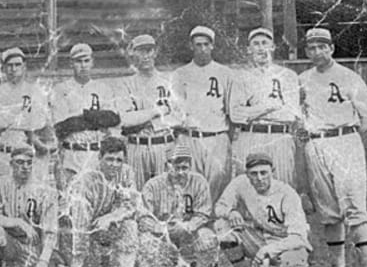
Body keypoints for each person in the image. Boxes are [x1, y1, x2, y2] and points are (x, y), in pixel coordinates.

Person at [297, 28, 367, 267]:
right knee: (328, 209)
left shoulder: (348, 76)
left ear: (331, 48)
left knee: (354, 205)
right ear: (307, 51)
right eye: (312, 48)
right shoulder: (303, 79)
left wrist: (347, 137)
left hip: (344, 142)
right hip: (316, 144)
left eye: (322, 46)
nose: (317, 52)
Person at [214, 151, 310, 267]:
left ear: (272, 172)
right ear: (247, 174)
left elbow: (298, 237)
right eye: (254, 174)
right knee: (222, 226)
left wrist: (269, 250)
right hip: (258, 237)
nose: (259, 178)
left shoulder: (287, 193)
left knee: (291, 262)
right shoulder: (241, 183)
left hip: (284, 241)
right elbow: (219, 207)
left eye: (264, 173)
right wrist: (231, 212)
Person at [64, 137, 143, 267]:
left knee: (130, 226)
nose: (114, 164)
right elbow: (79, 224)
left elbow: (131, 205)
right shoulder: (86, 178)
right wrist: (78, 263)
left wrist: (111, 216)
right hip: (73, 231)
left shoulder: (126, 172)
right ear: (100, 158)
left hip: (103, 225)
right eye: (109, 159)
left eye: (118, 160)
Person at [0, 146, 60, 267]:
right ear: (11, 164)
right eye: (20, 162)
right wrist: (18, 222)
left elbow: (51, 231)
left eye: (29, 163)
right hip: (8, 241)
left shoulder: (45, 190)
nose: (25, 167)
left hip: (33, 245)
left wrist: (43, 261)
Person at [228, 27, 301, 185]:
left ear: (273, 47)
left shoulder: (288, 76)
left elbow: (291, 115)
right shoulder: (240, 77)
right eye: (256, 44)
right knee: (250, 185)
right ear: (249, 49)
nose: (261, 48)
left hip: (280, 137)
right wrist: (269, 106)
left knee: (283, 183)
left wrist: (252, 112)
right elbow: (236, 115)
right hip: (251, 136)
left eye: (265, 43)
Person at [172, 25, 234, 201]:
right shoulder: (180, 74)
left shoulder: (225, 73)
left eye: (206, 44)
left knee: (218, 180)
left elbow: (231, 109)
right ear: (191, 46)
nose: (202, 49)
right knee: (189, 183)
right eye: (198, 45)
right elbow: (176, 110)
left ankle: (215, 221)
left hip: (216, 136)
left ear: (212, 45)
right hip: (189, 136)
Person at [138, 144, 217, 267]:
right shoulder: (152, 185)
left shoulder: (199, 182)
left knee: (208, 238)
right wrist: (158, 227)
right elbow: (143, 216)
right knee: (147, 243)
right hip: (162, 233)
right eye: (176, 168)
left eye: (184, 168)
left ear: (190, 167)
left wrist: (189, 226)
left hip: (190, 230)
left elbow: (203, 213)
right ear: (166, 166)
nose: (180, 172)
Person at [49, 43, 122, 187]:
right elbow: (62, 127)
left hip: (96, 153)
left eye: (86, 61)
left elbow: (112, 119)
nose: (83, 66)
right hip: (71, 154)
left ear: (92, 62)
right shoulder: (60, 90)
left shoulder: (103, 89)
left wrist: (82, 115)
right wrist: (96, 117)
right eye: (78, 61)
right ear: (71, 63)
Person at [117, 34, 181, 189]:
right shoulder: (126, 83)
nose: (145, 56)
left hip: (164, 145)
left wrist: (141, 117)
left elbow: (179, 117)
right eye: (140, 51)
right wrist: (158, 111)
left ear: (155, 52)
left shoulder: (169, 81)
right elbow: (125, 120)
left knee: (166, 194)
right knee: (137, 195)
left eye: (149, 50)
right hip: (136, 147)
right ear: (133, 54)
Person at [0, 47, 53, 180]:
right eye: (9, 65)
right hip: (5, 154)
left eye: (17, 65)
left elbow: (39, 122)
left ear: (24, 67)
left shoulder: (36, 92)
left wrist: (9, 119)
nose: (13, 69)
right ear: (3, 68)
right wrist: (23, 121)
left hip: (30, 154)